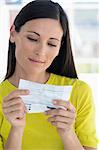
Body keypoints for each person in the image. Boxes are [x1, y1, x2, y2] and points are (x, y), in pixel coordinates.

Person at [0, 0, 97, 150]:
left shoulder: (79, 92)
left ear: (59, 48)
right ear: (13, 33)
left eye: (51, 44)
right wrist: (16, 130)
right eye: (32, 38)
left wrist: (68, 133)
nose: (41, 52)